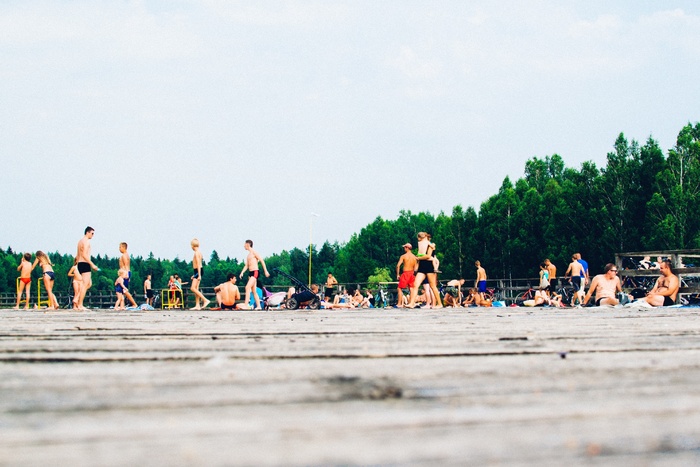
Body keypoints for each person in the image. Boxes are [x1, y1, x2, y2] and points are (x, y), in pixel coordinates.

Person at [407, 232, 442, 309]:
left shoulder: (431, 245)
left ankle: (439, 303)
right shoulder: (421, 245)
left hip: (429, 266)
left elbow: (428, 256)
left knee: (432, 286)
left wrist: (418, 258)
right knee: (415, 284)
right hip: (422, 266)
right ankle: (411, 303)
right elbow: (421, 254)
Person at [240, 240, 270, 310]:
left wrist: (266, 271)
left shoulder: (254, 252)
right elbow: (246, 265)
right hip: (250, 273)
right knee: (253, 291)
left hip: (255, 272)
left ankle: (246, 305)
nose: (244, 246)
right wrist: (242, 272)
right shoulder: (248, 255)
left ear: (248, 244)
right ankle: (259, 306)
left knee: (247, 287)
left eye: (244, 244)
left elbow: (262, 261)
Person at [76, 226, 99, 310]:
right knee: (85, 284)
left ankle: (77, 299)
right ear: (87, 232)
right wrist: (92, 264)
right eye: (92, 233)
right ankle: (80, 304)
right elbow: (84, 255)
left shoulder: (80, 241)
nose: (93, 235)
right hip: (85, 263)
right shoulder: (86, 242)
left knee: (89, 284)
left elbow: (77, 255)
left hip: (80, 263)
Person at [189, 238, 210, 310]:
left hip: (198, 271)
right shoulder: (199, 252)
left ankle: (205, 300)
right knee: (196, 289)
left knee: (192, 288)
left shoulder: (196, 253)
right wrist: (194, 274)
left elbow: (198, 264)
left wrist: (199, 275)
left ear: (192, 246)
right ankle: (197, 305)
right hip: (197, 271)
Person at [396, 243, 417, 307]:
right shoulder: (415, 257)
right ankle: (411, 303)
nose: (404, 249)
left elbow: (398, 266)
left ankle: (399, 304)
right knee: (411, 288)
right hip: (412, 273)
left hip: (406, 273)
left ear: (407, 248)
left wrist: (398, 274)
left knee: (399, 288)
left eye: (405, 247)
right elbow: (415, 268)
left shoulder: (403, 256)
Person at [118, 242, 138, 308]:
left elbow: (126, 266)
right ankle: (122, 305)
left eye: (120, 247)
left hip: (125, 274)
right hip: (124, 273)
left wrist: (127, 276)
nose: (119, 249)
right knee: (122, 290)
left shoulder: (124, 256)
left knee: (124, 290)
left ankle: (134, 304)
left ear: (124, 247)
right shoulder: (126, 255)